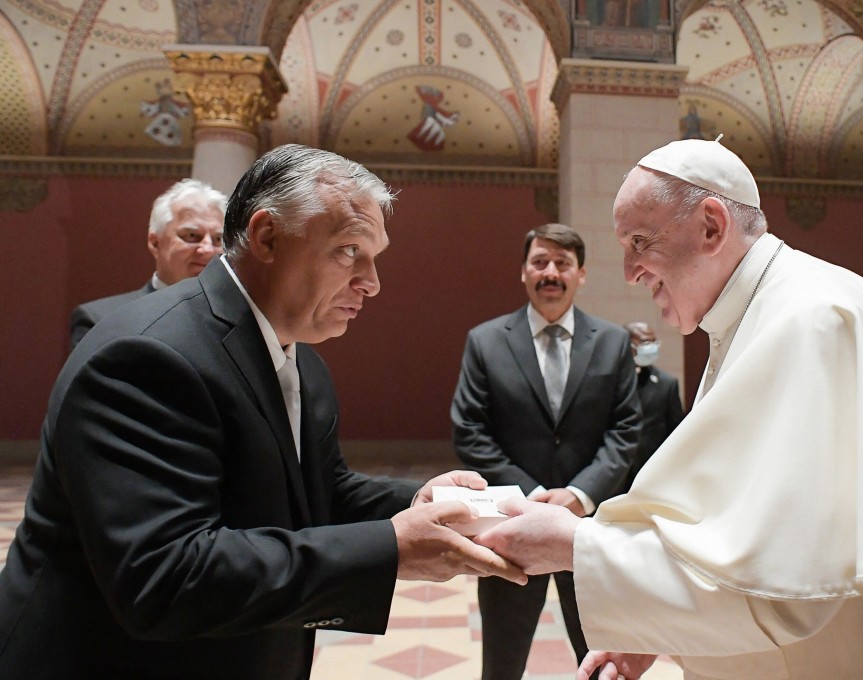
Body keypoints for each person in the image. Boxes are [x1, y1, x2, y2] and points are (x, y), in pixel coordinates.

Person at [476, 139, 863, 680]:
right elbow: (729, 537)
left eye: (641, 240)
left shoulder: (809, 321)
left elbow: (789, 585)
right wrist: (658, 630)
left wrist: (574, 543)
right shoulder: (756, 315)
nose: (630, 270)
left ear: (712, 227)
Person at [0, 144, 523, 680]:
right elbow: (164, 576)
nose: (372, 281)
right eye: (348, 250)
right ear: (267, 236)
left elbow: (317, 490)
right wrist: (390, 548)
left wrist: (416, 500)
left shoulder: (302, 360)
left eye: (375, 257)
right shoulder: (146, 355)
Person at [451, 222, 641, 679]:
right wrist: (532, 493)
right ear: (523, 272)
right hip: (511, 523)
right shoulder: (486, 341)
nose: (550, 272)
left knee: (601, 659)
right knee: (502, 660)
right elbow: (470, 430)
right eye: (540, 262)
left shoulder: (613, 343)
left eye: (562, 263)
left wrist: (578, 494)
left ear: (581, 274)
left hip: (589, 528)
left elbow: (626, 429)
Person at [68, 178, 228, 349]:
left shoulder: (238, 317)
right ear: (155, 243)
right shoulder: (100, 319)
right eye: (191, 236)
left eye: (218, 239)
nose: (208, 249)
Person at [622, 321, 685, 490]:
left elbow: (675, 433)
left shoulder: (666, 383)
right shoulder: (610, 382)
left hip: (651, 475)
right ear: (627, 345)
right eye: (644, 342)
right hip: (615, 473)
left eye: (653, 342)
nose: (650, 347)